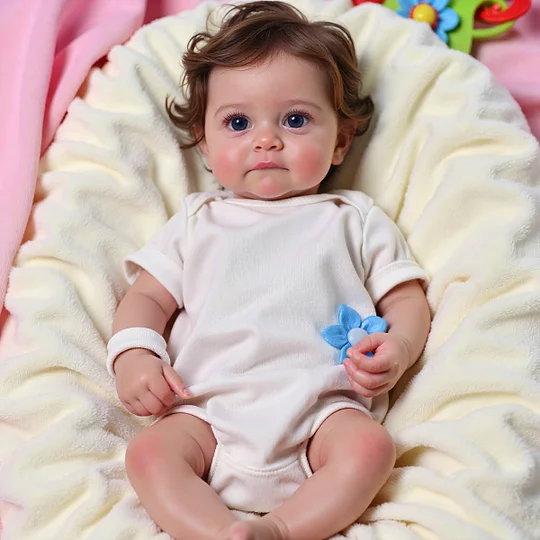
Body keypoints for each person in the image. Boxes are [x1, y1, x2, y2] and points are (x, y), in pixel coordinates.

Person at [106, 2, 431, 539]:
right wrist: (134, 356)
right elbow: (146, 298)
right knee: (148, 454)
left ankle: (280, 531)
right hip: (206, 410)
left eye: (295, 120)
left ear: (340, 141)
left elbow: (406, 299)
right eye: (238, 123)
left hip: (322, 411)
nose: (266, 140)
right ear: (205, 145)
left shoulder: (352, 218)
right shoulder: (197, 221)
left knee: (372, 448)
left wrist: (398, 347)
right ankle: (217, 532)